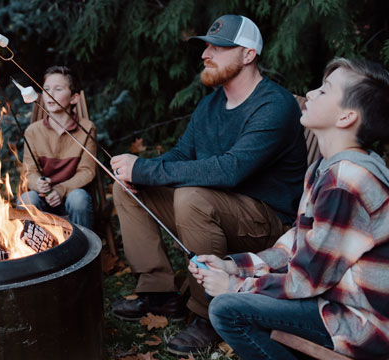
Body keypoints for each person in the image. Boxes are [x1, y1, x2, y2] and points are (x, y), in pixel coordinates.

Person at [109, 14, 308, 354]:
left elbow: (231, 170)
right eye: (206, 47)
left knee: (191, 197)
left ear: (248, 54)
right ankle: (159, 292)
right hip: (215, 210)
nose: (205, 54)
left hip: (267, 224)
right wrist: (137, 171)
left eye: (219, 47)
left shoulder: (274, 104)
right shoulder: (210, 103)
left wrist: (146, 170)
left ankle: (208, 315)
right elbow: (183, 154)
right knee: (128, 190)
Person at [192, 58, 389, 359]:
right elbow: (296, 243)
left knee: (227, 308)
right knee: (232, 301)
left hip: (361, 323)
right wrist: (235, 266)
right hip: (330, 303)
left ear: (347, 116)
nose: (310, 94)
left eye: (324, 91)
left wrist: (235, 285)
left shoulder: (347, 181)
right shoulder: (322, 169)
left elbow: (306, 280)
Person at [19, 66, 96, 229]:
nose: (49, 94)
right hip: (43, 198)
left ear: (74, 98)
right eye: (46, 89)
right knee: (27, 199)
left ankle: (83, 249)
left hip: (71, 195)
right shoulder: (33, 131)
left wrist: (61, 189)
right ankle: (38, 251)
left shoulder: (86, 128)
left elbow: (87, 171)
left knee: (79, 199)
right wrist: (37, 183)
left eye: (58, 89)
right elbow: (29, 172)